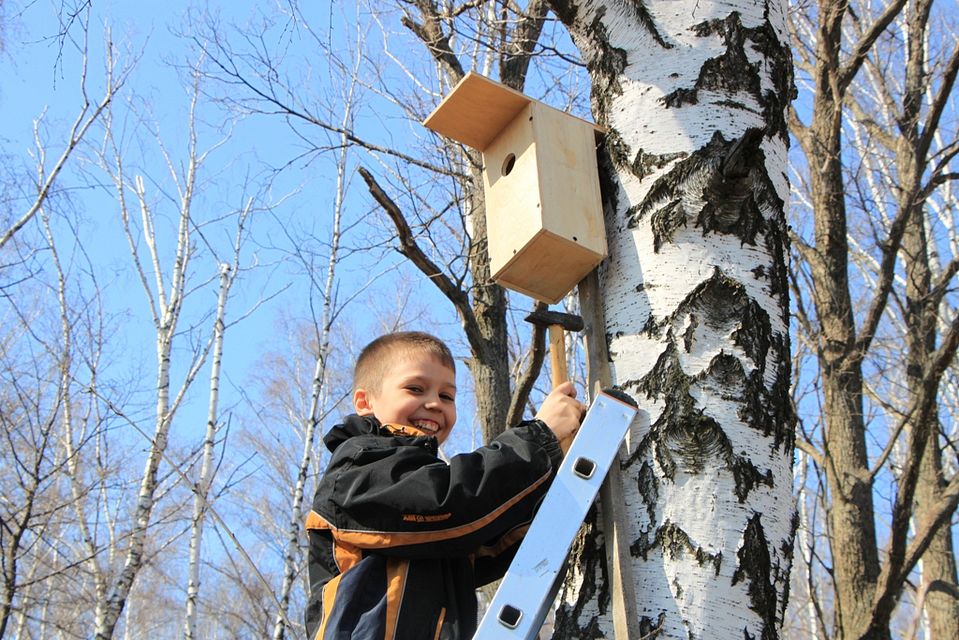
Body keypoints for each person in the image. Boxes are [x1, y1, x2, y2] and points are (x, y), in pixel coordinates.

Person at [304, 331, 583, 640]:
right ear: (365, 401)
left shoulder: (433, 524)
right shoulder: (355, 471)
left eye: (447, 396)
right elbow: (449, 504)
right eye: (415, 388)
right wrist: (538, 439)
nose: (435, 403)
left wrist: (563, 485)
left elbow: (491, 541)